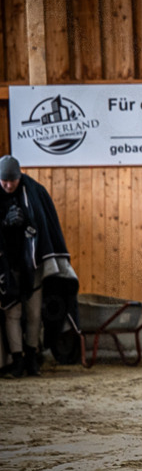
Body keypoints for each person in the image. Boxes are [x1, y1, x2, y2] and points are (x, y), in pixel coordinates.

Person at [0, 155, 78, 377]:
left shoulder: (34, 192)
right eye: (3, 181)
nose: (8, 185)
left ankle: (32, 359)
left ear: (19, 177)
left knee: (34, 313)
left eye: (12, 181)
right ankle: (17, 360)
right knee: (12, 312)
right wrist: (5, 224)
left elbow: (44, 225)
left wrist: (26, 225)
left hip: (32, 263)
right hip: (7, 265)